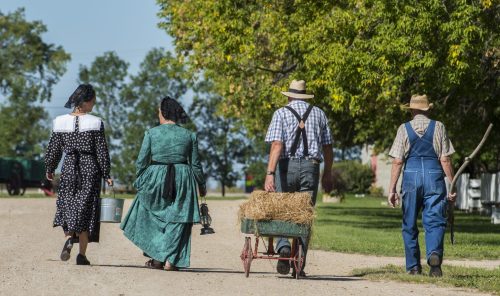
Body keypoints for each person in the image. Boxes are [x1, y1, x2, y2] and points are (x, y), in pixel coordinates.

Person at [120, 96, 206, 271]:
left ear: (164, 113)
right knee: (178, 219)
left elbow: (141, 162)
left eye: (159, 111)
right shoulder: (190, 135)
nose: (158, 114)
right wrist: (201, 185)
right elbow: (195, 164)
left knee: (153, 217)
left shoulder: (151, 133)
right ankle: (169, 261)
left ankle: (158, 259)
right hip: (182, 177)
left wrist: (142, 180)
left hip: (155, 176)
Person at [264, 79, 333, 277]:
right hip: (311, 167)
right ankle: (299, 263)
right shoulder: (319, 113)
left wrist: (270, 174)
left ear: (290, 95)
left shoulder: (281, 113)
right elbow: (328, 147)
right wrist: (327, 172)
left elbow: (277, 145)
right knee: (305, 214)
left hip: (287, 166)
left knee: (281, 209)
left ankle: (284, 247)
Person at [387, 94, 456, 277]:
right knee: (435, 220)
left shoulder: (403, 128)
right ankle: (434, 258)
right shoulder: (439, 126)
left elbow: (397, 161)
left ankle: (413, 267)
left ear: (411, 110)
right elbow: (445, 159)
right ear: (428, 109)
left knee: (409, 221)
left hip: (411, 176)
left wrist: (392, 189)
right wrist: (452, 184)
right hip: (435, 176)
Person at [45, 84, 112, 265]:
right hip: (90, 168)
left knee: (67, 204)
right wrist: (106, 173)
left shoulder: (59, 122)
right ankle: (81, 255)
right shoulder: (96, 122)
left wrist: (50, 168)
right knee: (86, 209)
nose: (94, 104)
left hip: (69, 168)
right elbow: (101, 151)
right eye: (93, 101)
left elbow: (54, 150)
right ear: (85, 101)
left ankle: (68, 237)